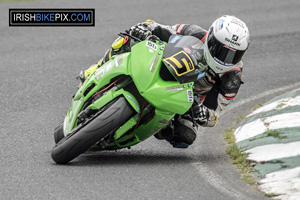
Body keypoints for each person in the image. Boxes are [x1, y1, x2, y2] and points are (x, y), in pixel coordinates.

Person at [78, 15, 250, 148]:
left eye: (234, 54)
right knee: (129, 38)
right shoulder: (195, 33)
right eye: (221, 50)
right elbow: (158, 28)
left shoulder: (232, 77)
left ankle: (154, 126)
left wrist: (202, 113)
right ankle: (97, 69)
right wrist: (144, 29)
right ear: (211, 38)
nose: (225, 59)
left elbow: (215, 114)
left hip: (187, 100)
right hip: (164, 65)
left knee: (186, 136)